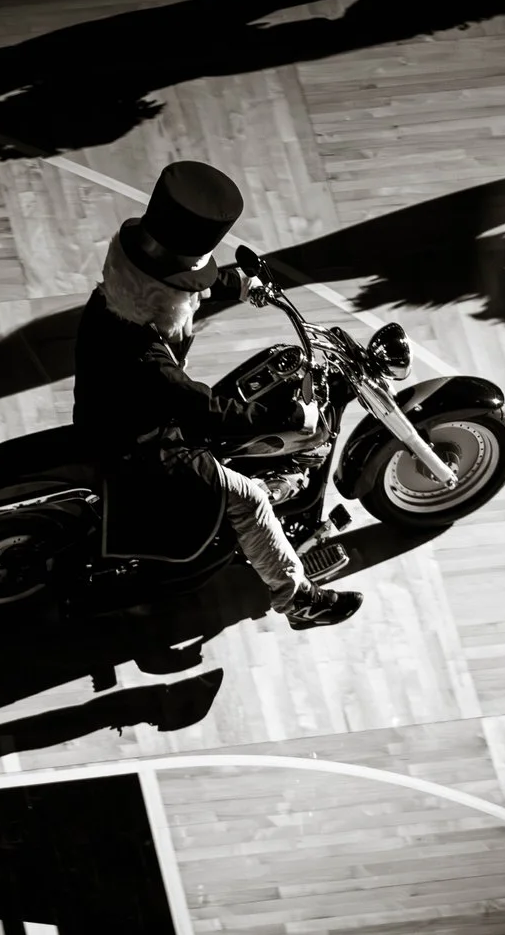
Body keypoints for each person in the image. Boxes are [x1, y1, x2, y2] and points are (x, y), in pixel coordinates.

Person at [73, 161, 361, 629]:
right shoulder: (145, 356)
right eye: (189, 287)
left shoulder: (115, 301)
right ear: (165, 294)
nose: (196, 294)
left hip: (118, 417)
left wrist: (243, 284)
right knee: (249, 498)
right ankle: (298, 600)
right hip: (144, 448)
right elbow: (201, 407)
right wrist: (282, 416)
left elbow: (192, 285)